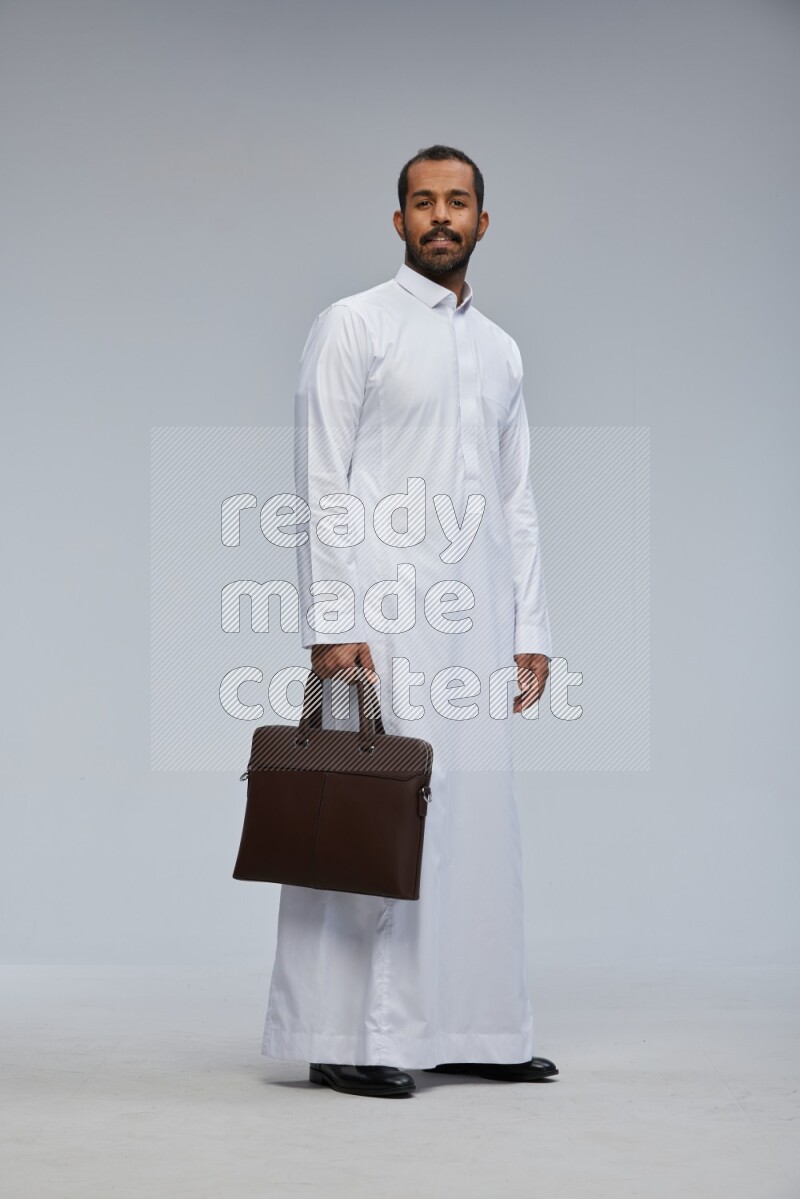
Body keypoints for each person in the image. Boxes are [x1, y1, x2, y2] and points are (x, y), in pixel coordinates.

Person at [261, 144, 558, 1098]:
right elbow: (319, 479)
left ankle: (470, 1023)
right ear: (398, 222)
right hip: (381, 620)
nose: (441, 216)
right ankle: (344, 1032)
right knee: (371, 810)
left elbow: (518, 501)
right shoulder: (354, 325)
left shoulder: (502, 348)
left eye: (457, 202)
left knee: (472, 820)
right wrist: (332, 622)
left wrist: (530, 629)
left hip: (475, 625)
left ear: (482, 221)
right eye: (422, 202)